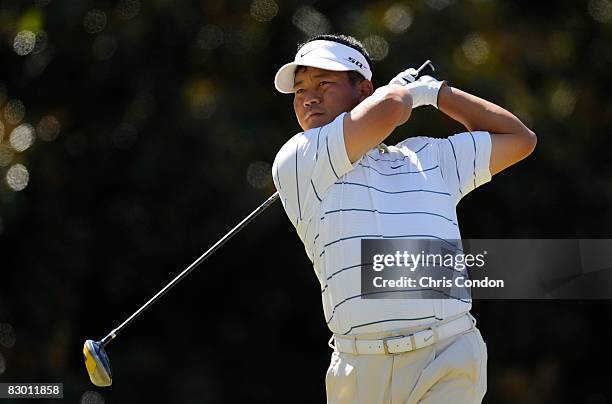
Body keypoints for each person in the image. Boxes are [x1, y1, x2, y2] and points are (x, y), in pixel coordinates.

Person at [271, 34, 536, 404]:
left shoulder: (426, 156)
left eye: (323, 84)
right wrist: (400, 97)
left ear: (363, 90)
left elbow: (519, 138)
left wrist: (436, 93)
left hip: (446, 352)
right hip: (358, 368)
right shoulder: (299, 158)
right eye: (299, 90)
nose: (309, 97)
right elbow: (393, 106)